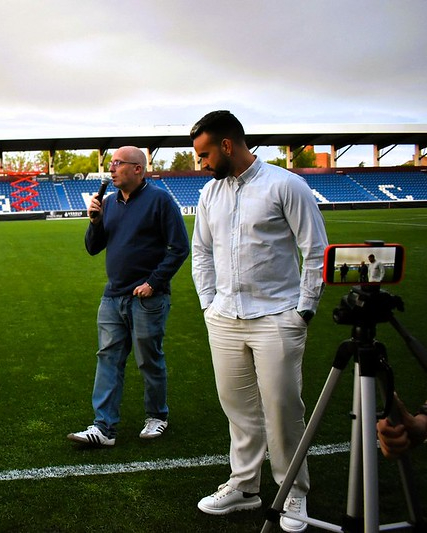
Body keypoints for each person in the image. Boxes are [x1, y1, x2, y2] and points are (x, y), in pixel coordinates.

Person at [190, 111, 328, 533]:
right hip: (224, 318)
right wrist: (209, 304)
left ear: (227, 145)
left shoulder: (286, 184)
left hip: (277, 316)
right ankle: (245, 486)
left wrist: (303, 310)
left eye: (205, 154)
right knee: (238, 409)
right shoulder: (209, 193)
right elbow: (201, 252)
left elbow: (315, 249)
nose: (201, 163)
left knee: (283, 409)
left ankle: (293, 492)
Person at [67, 146, 190, 447]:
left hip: (147, 298)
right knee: (108, 359)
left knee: (149, 359)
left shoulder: (160, 200)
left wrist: (154, 283)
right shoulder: (109, 203)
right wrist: (95, 222)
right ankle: (103, 427)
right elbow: (93, 248)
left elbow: (179, 247)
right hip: (113, 296)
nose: (111, 168)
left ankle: (157, 416)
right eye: (111, 163)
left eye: (118, 163)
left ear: (137, 169)